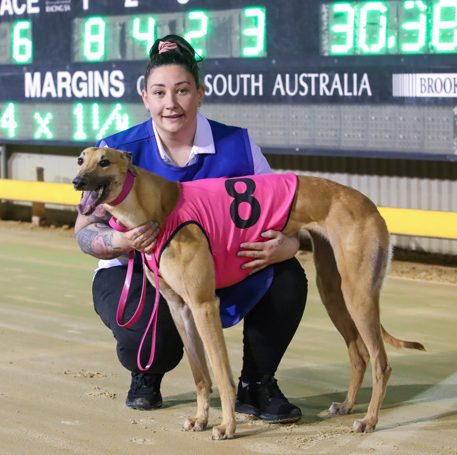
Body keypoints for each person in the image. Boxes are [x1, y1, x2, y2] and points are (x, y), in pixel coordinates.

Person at [74, 34, 308, 423]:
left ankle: (256, 384)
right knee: (157, 332)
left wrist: (290, 243)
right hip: (138, 273)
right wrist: (121, 240)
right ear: (145, 96)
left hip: (223, 264)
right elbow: (84, 231)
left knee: (287, 277)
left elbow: (281, 209)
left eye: (182, 91)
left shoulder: (238, 143)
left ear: (200, 93)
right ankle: (146, 373)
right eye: (160, 92)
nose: (171, 103)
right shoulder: (114, 150)